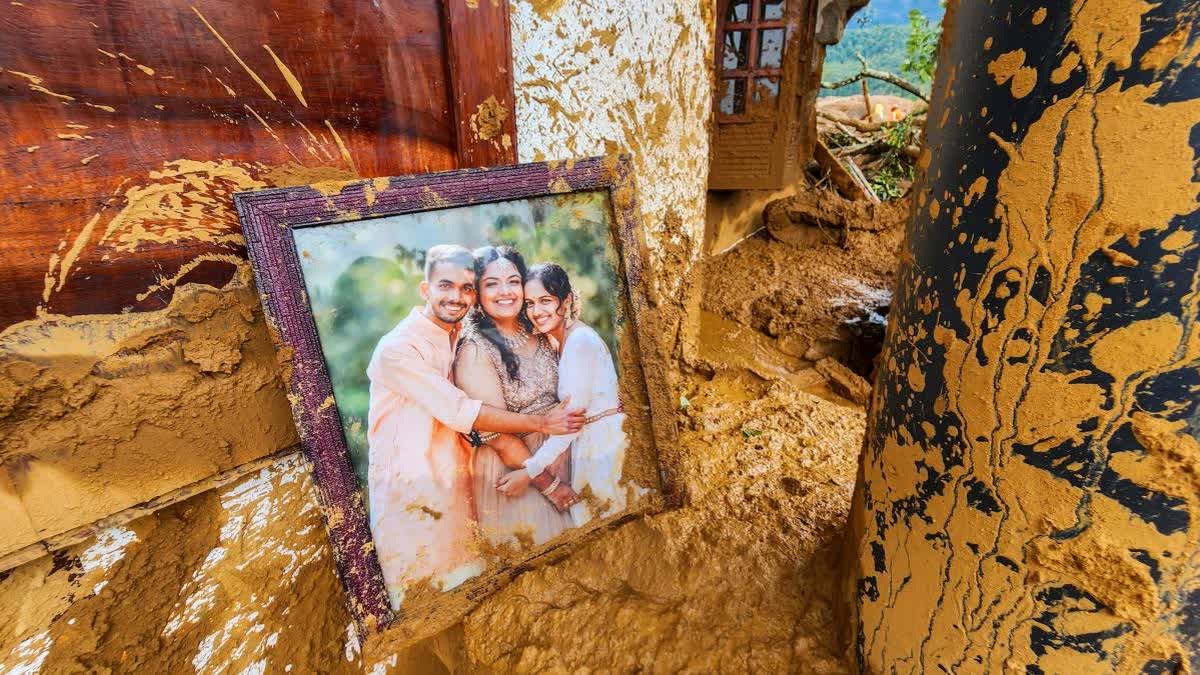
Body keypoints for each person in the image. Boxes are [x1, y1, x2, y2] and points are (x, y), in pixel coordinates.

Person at [365, 244, 584, 609]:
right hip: (416, 492)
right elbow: (467, 413)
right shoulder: (400, 349)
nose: (457, 297)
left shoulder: (454, 334)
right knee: (424, 596)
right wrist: (544, 438)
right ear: (425, 289)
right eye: (446, 286)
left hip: (463, 484)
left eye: (466, 288)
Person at [453, 246, 575, 548]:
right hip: (517, 472)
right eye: (492, 284)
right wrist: (551, 485)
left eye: (513, 281)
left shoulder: (539, 327)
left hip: (560, 456)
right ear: (477, 294)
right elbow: (495, 435)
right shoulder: (476, 349)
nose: (505, 291)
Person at [492, 262, 628, 527]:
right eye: (530, 303)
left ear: (565, 301)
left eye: (545, 300)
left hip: (604, 447)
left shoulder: (579, 341)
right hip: (591, 443)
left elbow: (571, 422)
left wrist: (529, 472)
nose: (536, 311)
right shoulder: (560, 341)